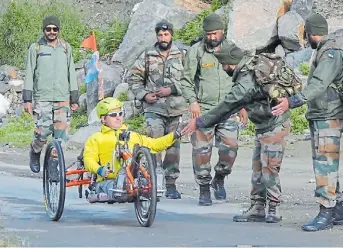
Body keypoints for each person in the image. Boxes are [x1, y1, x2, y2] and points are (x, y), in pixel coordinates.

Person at [182, 43, 292, 223]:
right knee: (258, 167)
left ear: (230, 64)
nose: (224, 69)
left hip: (274, 126)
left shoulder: (244, 81)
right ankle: (257, 207)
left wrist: (199, 121)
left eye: (224, 65)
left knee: (269, 167)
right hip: (263, 125)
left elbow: (226, 106)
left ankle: (274, 207)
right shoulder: (247, 69)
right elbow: (234, 105)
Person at [271, 13, 343, 232]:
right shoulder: (326, 49)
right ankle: (337, 208)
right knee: (328, 164)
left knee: (324, 164)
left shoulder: (330, 52)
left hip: (328, 115)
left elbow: (319, 85)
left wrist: (292, 102)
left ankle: (326, 212)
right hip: (324, 113)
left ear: (311, 33)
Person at [180, 13, 248, 206]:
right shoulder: (196, 51)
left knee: (231, 149)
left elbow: (242, 79)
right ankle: (203, 188)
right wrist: (192, 101)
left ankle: (219, 178)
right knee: (202, 151)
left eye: (215, 33)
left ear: (222, 31)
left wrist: (242, 105)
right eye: (208, 34)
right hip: (204, 110)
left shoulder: (232, 49)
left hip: (228, 109)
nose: (211, 37)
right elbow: (185, 80)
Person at [127, 19, 188, 199]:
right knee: (153, 145)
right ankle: (152, 181)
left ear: (172, 35)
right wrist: (144, 95)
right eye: (160, 35)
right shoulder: (147, 55)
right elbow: (133, 79)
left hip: (176, 109)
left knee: (173, 148)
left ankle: (170, 184)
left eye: (166, 34)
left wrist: (173, 89)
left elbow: (192, 81)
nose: (163, 38)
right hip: (154, 109)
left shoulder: (183, 54)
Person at [83, 97, 184, 202]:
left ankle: (142, 192)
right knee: (118, 188)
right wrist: (99, 169)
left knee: (150, 185)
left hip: (133, 180)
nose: (118, 118)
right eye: (113, 115)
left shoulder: (132, 136)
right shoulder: (95, 138)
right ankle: (99, 194)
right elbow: (88, 160)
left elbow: (155, 144)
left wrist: (175, 135)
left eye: (120, 114)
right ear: (103, 119)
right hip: (108, 180)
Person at [22, 15, 79, 175]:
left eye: (55, 29)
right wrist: (27, 100)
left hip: (63, 98)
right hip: (43, 98)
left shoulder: (66, 48)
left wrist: (74, 98)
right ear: (44, 30)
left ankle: (53, 166)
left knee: (61, 135)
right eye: (48, 29)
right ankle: (35, 151)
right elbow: (29, 74)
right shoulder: (36, 48)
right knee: (42, 132)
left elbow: (71, 73)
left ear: (58, 30)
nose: (52, 32)